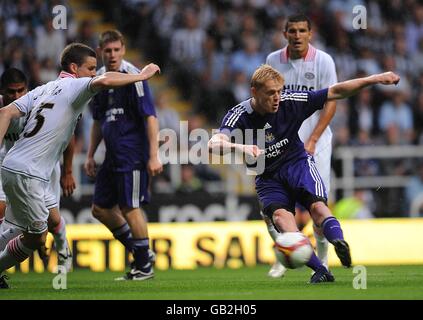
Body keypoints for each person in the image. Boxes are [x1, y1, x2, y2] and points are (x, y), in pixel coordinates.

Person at [208, 64, 399, 283]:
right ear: (254, 91)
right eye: (270, 93)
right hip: (268, 177)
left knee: (317, 207)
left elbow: (335, 91)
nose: (277, 97)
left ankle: (338, 242)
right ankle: (321, 270)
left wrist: (375, 78)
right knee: (282, 219)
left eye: (279, 91)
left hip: (297, 163)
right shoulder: (239, 114)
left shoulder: (290, 101)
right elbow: (214, 144)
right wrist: (241, 148)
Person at [0, 42, 161, 289]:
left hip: (11, 166)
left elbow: (5, 113)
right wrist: (141, 76)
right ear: (74, 68)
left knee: (13, 226)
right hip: (29, 173)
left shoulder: (43, 89)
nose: (94, 73)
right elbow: (105, 80)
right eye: (91, 68)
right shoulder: (75, 85)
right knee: (36, 236)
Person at [83, 30, 162, 281]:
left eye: (117, 50)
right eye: (108, 51)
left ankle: (144, 266)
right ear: (100, 51)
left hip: (132, 154)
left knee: (130, 206)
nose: (113, 55)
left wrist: (153, 155)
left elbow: (150, 117)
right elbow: (98, 121)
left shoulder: (135, 77)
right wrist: (89, 154)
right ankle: (142, 254)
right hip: (111, 156)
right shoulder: (100, 81)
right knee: (100, 209)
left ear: (124, 49)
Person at [265, 14, 337, 278]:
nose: (297, 36)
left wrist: (314, 139)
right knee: (272, 205)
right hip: (283, 144)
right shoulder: (273, 61)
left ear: (310, 33)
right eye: (292, 31)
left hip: (315, 143)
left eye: (301, 31)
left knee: (317, 203)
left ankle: (324, 260)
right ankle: (282, 254)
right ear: (285, 34)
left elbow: (331, 101)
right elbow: (266, 99)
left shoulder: (323, 61)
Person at [0, 68, 74, 272]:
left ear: (27, 89)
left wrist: (68, 171)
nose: (15, 96)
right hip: (8, 165)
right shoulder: (4, 110)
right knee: (8, 217)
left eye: (20, 91)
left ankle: (63, 250)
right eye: (10, 92)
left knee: (52, 220)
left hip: (42, 168)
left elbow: (69, 137)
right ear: (2, 92)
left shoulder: (37, 104)